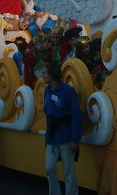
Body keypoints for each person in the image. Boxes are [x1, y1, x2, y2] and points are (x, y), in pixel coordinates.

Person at [43, 63, 82, 195]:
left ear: (52, 75)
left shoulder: (68, 91)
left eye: (45, 73)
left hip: (66, 134)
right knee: (49, 167)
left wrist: (75, 139)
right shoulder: (47, 90)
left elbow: (76, 115)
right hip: (52, 135)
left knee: (68, 171)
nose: (43, 75)